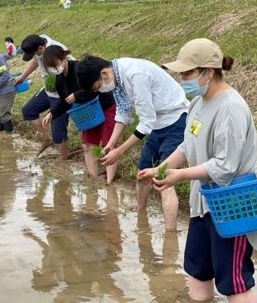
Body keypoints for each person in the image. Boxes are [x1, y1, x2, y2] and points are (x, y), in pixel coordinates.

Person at [138, 38, 257, 303]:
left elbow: (225, 167)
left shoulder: (231, 108)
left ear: (209, 72)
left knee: (234, 281)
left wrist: (179, 175)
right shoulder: (197, 103)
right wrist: (160, 169)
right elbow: (187, 145)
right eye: (180, 73)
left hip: (233, 206)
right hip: (203, 203)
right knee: (198, 271)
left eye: (187, 73)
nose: (182, 79)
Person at [75, 56, 189, 231]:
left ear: (104, 74)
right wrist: (111, 144)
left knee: (164, 179)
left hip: (176, 119)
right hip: (157, 123)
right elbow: (123, 112)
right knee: (142, 173)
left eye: (98, 87)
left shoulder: (136, 75)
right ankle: (141, 213)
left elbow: (146, 122)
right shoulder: (117, 77)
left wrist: (119, 151)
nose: (102, 90)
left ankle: (170, 236)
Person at [41, 45, 118, 184]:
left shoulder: (80, 69)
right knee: (87, 145)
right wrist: (52, 113)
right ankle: (93, 179)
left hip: (105, 106)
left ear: (64, 58)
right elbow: (65, 101)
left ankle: (109, 182)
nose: (55, 69)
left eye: (56, 65)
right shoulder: (59, 80)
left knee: (108, 145)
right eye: (50, 68)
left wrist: (77, 95)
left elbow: (96, 87)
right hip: (88, 113)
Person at [14, 34, 71, 159]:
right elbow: (35, 61)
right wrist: (22, 77)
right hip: (49, 90)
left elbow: (69, 72)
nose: (34, 57)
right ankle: (46, 139)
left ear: (41, 48)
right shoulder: (38, 48)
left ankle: (63, 159)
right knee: (28, 110)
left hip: (62, 94)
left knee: (58, 130)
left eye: (34, 54)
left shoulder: (57, 50)